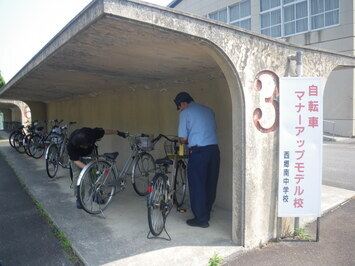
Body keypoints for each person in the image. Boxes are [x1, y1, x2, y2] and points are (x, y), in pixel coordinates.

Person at [174, 92, 220, 228]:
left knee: (197, 185)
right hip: (214, 151)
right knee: (210, 183)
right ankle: (206, 213)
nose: (180, 109)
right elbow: (212, 130)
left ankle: (201, 219)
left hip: (199, 152)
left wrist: (187, 140)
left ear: (182, 103)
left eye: (179, 106)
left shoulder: (185, 113)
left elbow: (182, 139)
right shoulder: (209, 110)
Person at [67, 127, 127, 209]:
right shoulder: (71, 144)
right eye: (83, 146)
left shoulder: (92, 133)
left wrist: (117, 132)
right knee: (77, 176)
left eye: (86, 145)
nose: (85, 147)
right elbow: (75, 161)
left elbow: (105, 131)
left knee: (95, 173)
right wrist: (87, 168)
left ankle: (96, 194)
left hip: (90, 154)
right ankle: (79, 199)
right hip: (76, 158)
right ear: (79, 145)